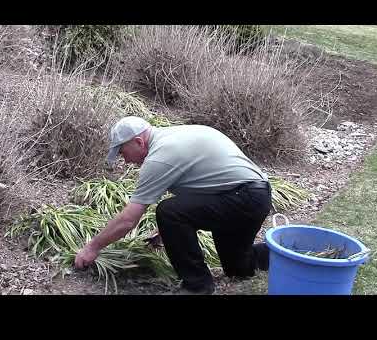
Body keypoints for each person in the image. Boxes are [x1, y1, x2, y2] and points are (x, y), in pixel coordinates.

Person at [75, 116, 272, 294]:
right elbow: (202, 188)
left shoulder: (160, 157)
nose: (125, 160)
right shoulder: (173, 136)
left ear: (138, 142)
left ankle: (197, 286)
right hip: (252, 195)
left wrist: (92, 248)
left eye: (122, 151)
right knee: (238, 267)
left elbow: (128, 220)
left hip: (244, 197)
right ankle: (279, 255)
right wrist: (168, 232)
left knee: (169, 212)